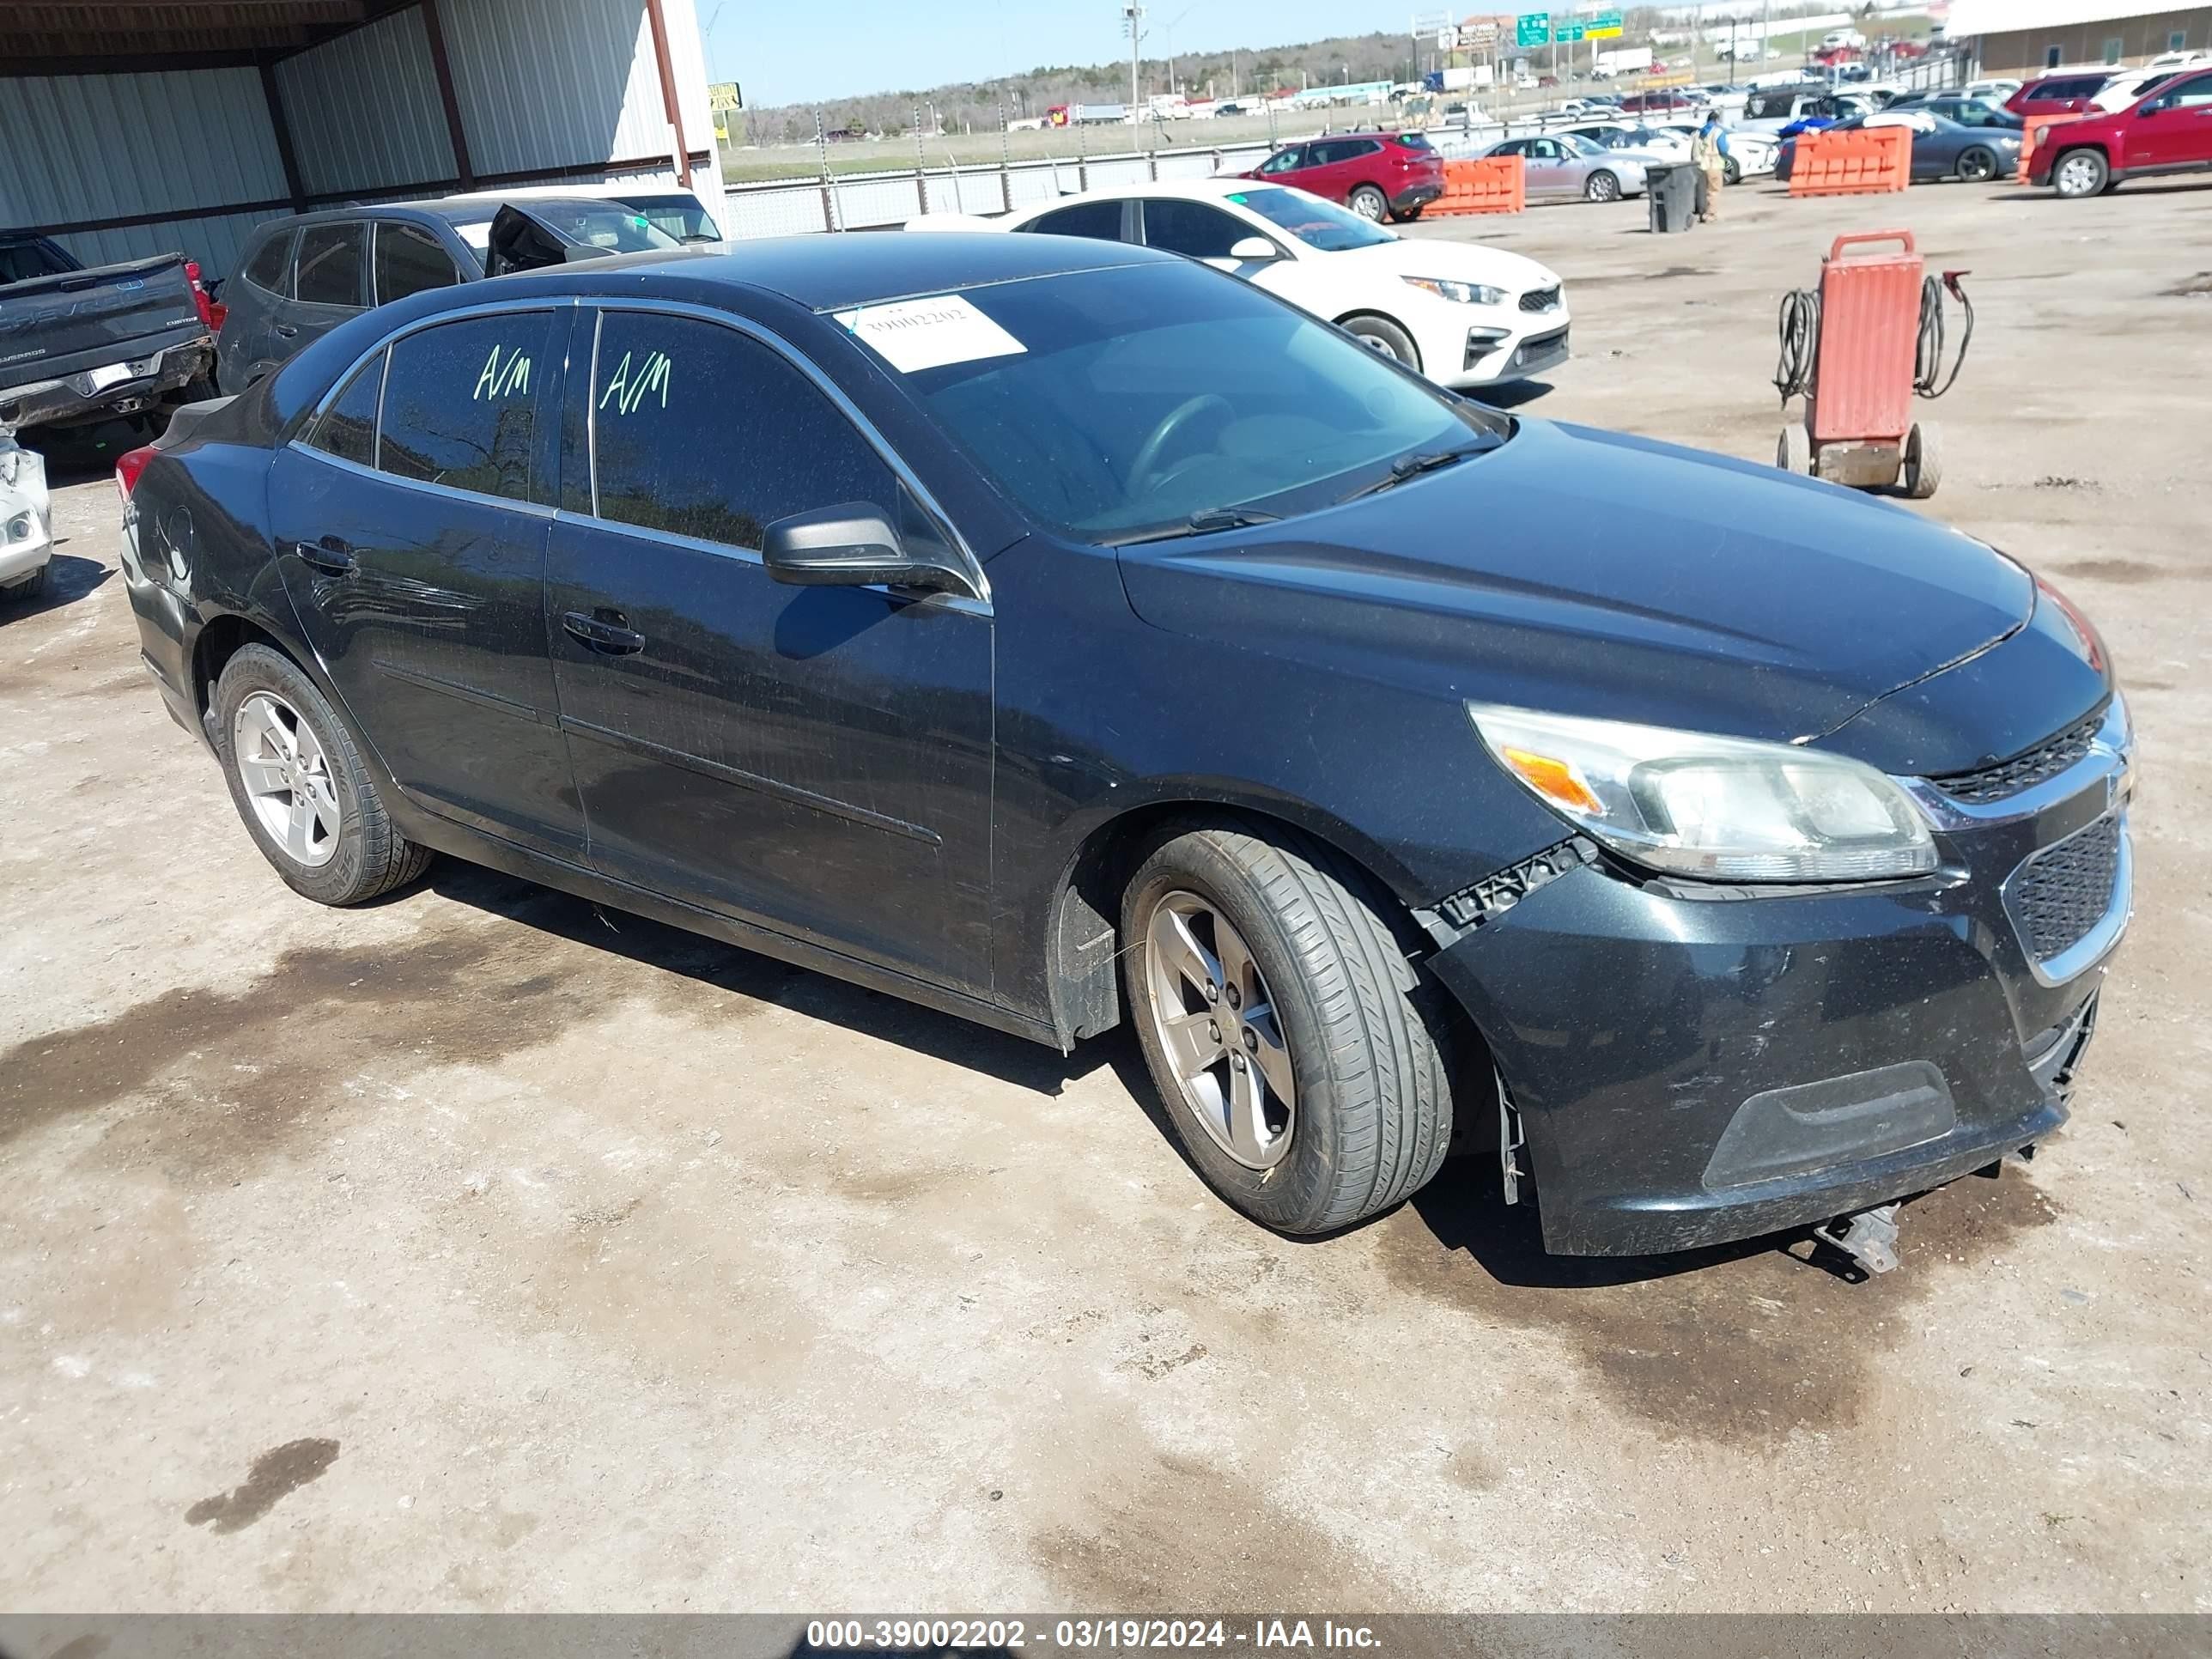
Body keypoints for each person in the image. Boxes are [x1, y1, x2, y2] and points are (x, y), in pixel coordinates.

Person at [1692, 110, 1730, 222]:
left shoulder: (1698, 133)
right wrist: (1725, 158)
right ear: (1717, 120)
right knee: (1713, 190)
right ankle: (1710, 214)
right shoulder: (1718, 132)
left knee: (1702, 190)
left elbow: (1694, 150)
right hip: (1713, 163)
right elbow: (1723, 149)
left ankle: (1702, 212)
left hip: (1700, 165)